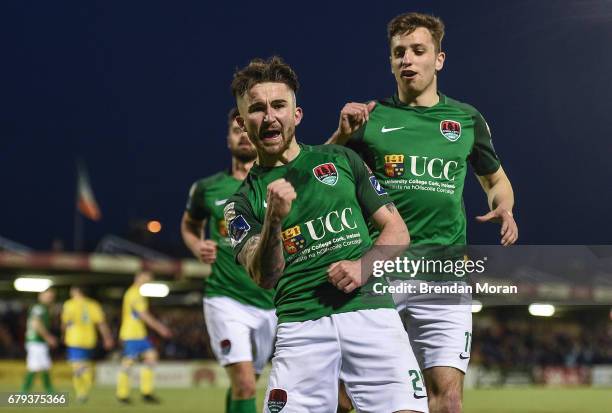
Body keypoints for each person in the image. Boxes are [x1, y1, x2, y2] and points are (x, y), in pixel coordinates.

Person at [327, 12, 518, 413]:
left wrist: (504, 205)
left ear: (440, 59)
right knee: (347, 395)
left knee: (448, 400)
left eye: (418, 50)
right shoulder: (369, 117)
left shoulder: (466, 120)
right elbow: (322, 181)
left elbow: (496, 180)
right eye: (399, 53)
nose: (408, 60)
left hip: (445, 276)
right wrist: (342, 136)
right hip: (381, 274)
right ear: (391, 61)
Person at [224, 56, 426, 413]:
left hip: (371, 315)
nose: (269, 117)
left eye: (278, 106)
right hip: (301, 327)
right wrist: (273, 221)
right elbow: (265, 276)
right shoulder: (239, 205)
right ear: (242, 123)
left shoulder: (342, 160)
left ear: (296, 114)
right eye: (256, 109)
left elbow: (397, 231)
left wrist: (364, 266)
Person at [181, 108, 277, 413]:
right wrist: (197, 245)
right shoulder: (206, 188)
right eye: (237, 131)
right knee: (246, 383)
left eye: (249, 131)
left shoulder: (277, 184)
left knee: (246, 385)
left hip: (268, 301)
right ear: (228, 138)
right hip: (225, 297)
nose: (244, 137)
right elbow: (189, 224)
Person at [116, 271, 172, 404]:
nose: (147, 281)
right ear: (138, 277)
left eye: (149, 279)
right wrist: (160, 328)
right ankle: (122, 394)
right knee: (128, 363)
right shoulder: (134, 293)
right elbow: (143, 315)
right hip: (131, 334)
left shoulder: (139, 293)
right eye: (146, 278)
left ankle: (146, 392)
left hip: (140, 334)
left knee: (151, 357)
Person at [61, 285, 114, 403]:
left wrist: (63, 335)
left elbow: (66, 322)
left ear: (75, 291)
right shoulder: (93, 305)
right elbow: (101, 323)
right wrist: (107, 338)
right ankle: (84, 390)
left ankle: (83, 388)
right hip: (89, 339)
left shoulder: (69, 304)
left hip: (74, 339)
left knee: (77, 366)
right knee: (83, 364)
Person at [20, 288, 57, 393]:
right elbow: (36, 324)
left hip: (38, 342)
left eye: (51, 297)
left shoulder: (44, 308)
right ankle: (24, 391)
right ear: (40, 296)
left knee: (45, 365)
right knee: (34, 366)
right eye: (48, 296)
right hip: (35, 341)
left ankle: (49, 390)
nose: (50, 299)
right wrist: (48, 337)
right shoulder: (39, 308)